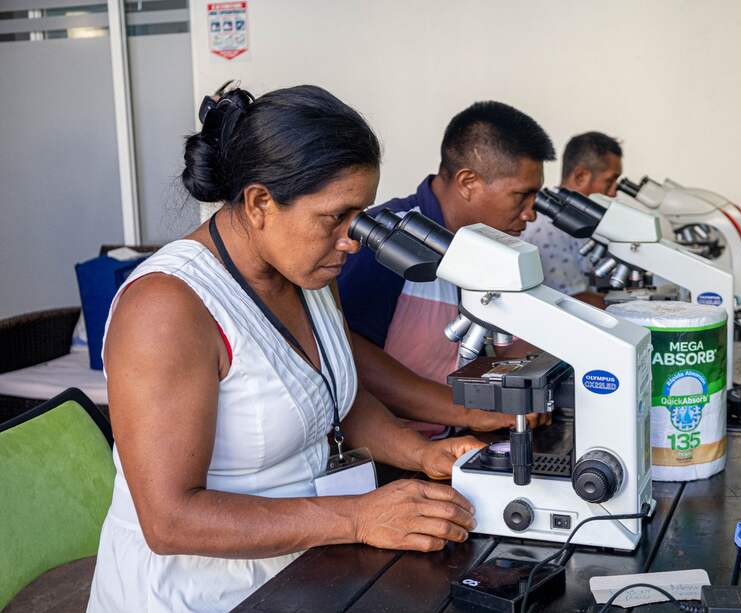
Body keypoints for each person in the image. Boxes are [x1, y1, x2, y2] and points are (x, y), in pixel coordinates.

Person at [87, 84, 485, 613]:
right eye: (335, 217)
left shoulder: (310, 272)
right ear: (259, 204)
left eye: (360, 216)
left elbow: (331, 398)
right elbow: (169, 520)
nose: (352, 239)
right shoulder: (167, 308)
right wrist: (359, 516)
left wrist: (423, 454)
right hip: (201, 595)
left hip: (306, 568)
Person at [337, 101, 555, 435]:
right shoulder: (388, 240)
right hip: (392, 454)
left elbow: (510, 347)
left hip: (450, 442)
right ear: (468, 182)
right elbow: (349, 353)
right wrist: (467, 410)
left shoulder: (487, 244)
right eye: (521, 196)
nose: (531, 214)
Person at [521, 131, 623, 307]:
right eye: (609, 181)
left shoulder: (576, 220)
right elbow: (570, 301)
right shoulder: (549, 226)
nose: (614, 192)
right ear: (581, 176)